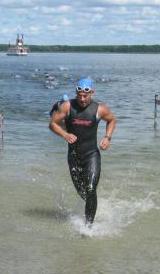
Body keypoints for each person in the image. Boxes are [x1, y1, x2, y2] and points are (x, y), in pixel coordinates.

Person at [49, 77, 116, 226]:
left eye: (85, 95)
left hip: (91, 155)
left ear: (92, 92)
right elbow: (52, 124)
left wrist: (107, 137)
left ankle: (88, 227)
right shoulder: (67, 106)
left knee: (91, 189)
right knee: (83, 193)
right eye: (79, 95)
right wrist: (64, 134)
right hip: (74, 156)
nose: (82, 98)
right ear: (76, 92)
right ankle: (94, 207)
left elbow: (112, 120)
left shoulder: (100, 109)